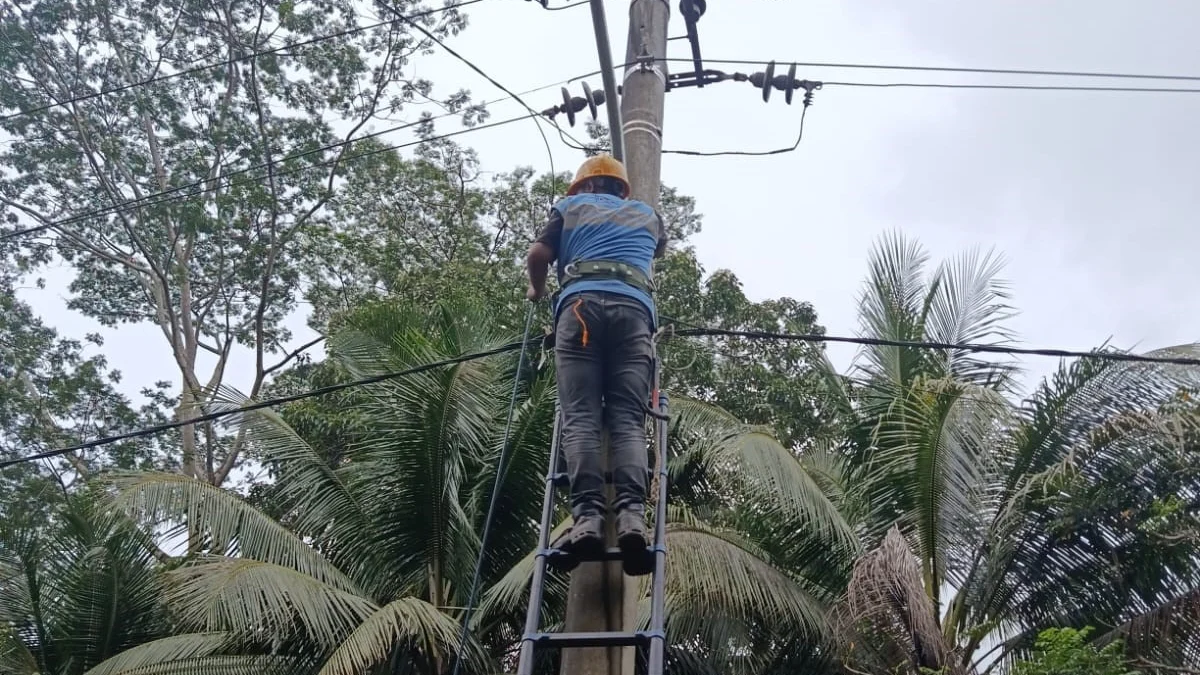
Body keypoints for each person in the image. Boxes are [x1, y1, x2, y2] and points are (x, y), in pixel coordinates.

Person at [525, 153, 667, 565]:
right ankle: (632, 519)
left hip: (581, 307)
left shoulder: (569, 207)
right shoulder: (647, 215)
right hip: (634, 314)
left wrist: (536, 292)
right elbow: (655, 251)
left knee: (582, 417)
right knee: (627, 419)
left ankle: (587, 519)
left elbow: (538, 256)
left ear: (585, 186)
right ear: (620, 188)